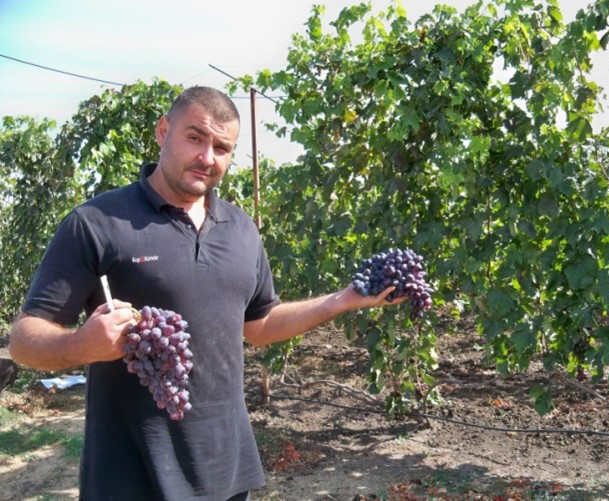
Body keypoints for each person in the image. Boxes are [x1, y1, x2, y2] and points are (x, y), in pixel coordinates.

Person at [8, 86, 403, 501]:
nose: (207, 157)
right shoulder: (96, 223)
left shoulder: (241, 229)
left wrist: (344, 299)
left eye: (222, 147)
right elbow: (23, 341)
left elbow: (261, 325)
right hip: (132, 476)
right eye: (195, 138)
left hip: (226, 472)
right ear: (163, 131)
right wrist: (81, 345)